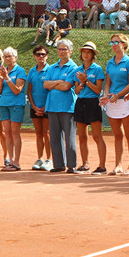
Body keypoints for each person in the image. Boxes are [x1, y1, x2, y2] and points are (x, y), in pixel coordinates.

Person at [100, 33, 129, 176]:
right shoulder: (110, 63)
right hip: (113, 102)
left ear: (124, 44)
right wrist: (107, 95)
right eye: (112, 42)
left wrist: (118, 95)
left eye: (117, 42)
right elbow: (108, 83)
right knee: (117, 135)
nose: (114, 45)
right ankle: (118, 165)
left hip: (126, 101)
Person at [43, 39, 80, 173]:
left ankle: (71, 165)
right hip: (52, 106)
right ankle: (58, 164)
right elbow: (45, 84)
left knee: (69, 137)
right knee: (54, 137)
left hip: (67, 106)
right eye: (59, 49)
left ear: (71, 51)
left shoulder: (74, 67)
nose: (62, 52)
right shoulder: (52, 67)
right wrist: (58, 82)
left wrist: (53, 83)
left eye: (65, 49)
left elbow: (66, 86)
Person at [72, 41, 107, 174]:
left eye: (88, 52)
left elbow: (98, 90)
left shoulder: (97, 69)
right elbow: (76, 91)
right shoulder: (77, 70)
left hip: (92, 103)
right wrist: (81, 83)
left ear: (93, 55)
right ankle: (85, 164)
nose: (86, 54)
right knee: (82, 136)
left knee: (97, 136)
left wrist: (86, 81)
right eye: (84, 52)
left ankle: (102, 166)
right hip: (80, 102)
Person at [0, 47, 27, 171]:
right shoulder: (3, 70)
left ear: (16, 57)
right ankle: (11, 160)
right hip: (4, 104)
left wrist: (7, 78)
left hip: (16, 105)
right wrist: (1, 78)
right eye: (6, 56)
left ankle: (16, 162)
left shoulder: (20, 71)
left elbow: (17, 90)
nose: (8, 59)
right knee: (7, 133)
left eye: (10, 56)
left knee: (15, 132)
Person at [26, 45, 52, 171]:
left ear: (47, 56)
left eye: (43, 54)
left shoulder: (51, 70)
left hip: (48, 107)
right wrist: (34, 106)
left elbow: (51, 91)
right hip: (35, 107)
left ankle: (49, 160)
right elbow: (29, 91)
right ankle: (40, 158)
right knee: (38, 133)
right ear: (34, 56)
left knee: (47, 133)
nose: (41, 56)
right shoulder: (32, 71)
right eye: (38, 54)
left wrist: (45, 107)